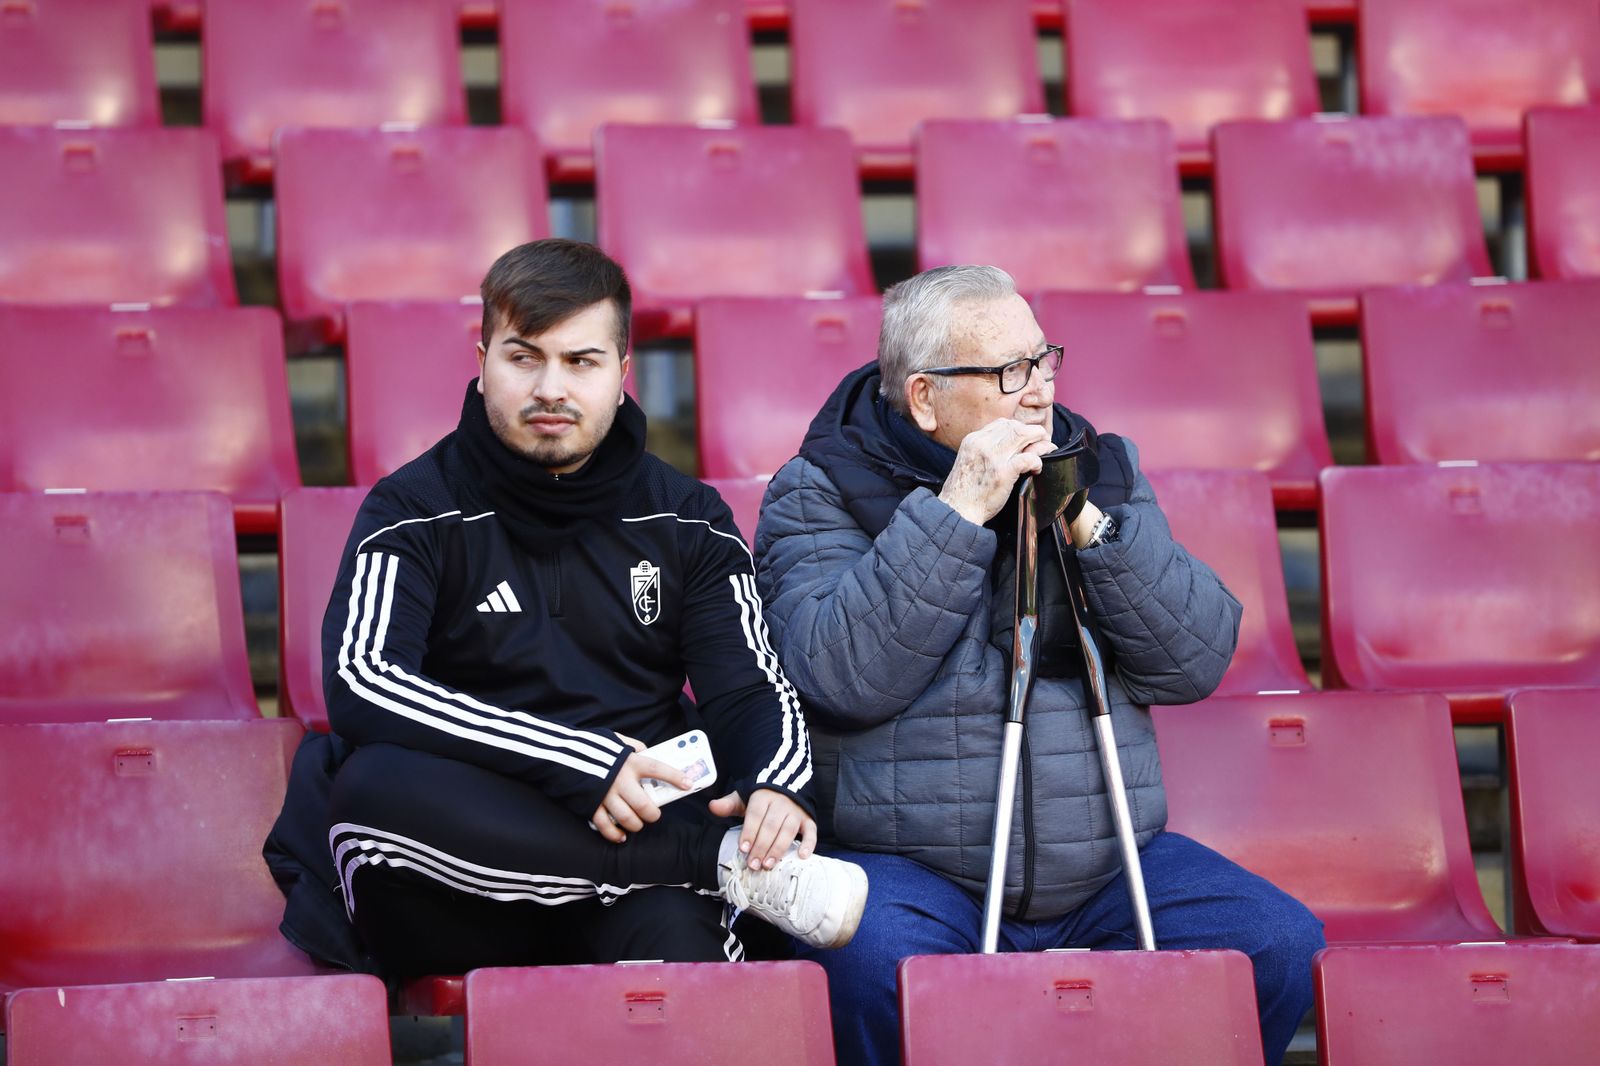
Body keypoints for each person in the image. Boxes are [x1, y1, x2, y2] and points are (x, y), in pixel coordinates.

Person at [752, 265, 1325, 1065]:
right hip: (913, 867)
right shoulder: (817, 490)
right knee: (869, 964)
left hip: (1101, 866)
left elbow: (1195, 661)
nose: (1038, 392)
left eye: (1044, 361)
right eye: (1008, 374)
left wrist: (1090, 525)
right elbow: (840, 676)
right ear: (924, 398)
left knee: (1274, 943)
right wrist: (958, 512)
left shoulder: (1102, 465)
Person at [271, 239, 866, 980]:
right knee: (367, 791)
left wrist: (778, 784)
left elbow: (748, 686)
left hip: (637, 873)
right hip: (462, 879)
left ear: (621, 376)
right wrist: (577, 764)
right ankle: (708, 864)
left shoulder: (686, 519)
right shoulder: (412, 510)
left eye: (580, 362)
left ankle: (704, 867)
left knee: (696, 959)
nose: (550, 387)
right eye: (524, 358)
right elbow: (361, 683)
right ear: (483, 359)